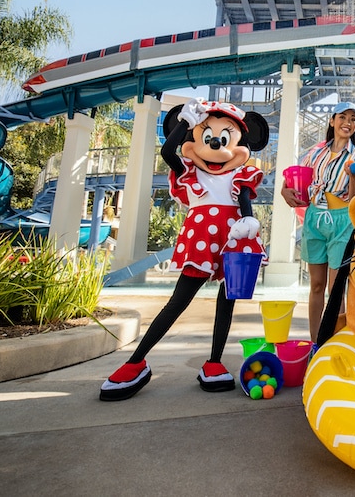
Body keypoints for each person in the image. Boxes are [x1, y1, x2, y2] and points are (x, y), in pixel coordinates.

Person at [99, 98, 270, 401]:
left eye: (225, 137)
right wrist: (184, 123)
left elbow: (245, 203)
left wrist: (249, 222)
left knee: (227, 300)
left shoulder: (241, 175)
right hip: (202, 240)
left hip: (235, 239)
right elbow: (167, 151)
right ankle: (135, 362)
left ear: (243, 141)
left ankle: (214, 362)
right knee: (178, 300)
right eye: (207, 136)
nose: (216, 144)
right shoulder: (191, 172)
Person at [281, 101, 355, 342]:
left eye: (353, 118)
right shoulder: (315, 153)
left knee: (336, 289)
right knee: (316, 286)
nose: (348, 122)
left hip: (342, 222)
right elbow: (294, 178)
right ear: (332, 121)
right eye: (342, 117)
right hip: (314, 219)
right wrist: (283, 190)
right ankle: (315, 342)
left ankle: (337, 342)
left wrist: (353, 175)